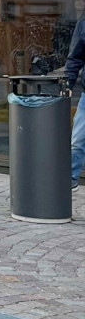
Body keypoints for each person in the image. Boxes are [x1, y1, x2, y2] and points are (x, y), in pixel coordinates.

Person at [66, 14, 85, 191]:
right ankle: (71, 179)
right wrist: (68, 83)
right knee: (77, 139)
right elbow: (75, 58)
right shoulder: (83, 24)